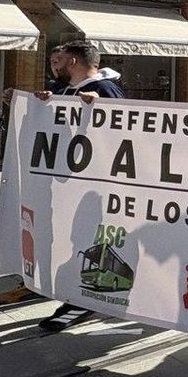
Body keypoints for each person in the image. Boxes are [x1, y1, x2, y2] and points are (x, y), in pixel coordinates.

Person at [32, 41, 124, 330]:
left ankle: (86, 298)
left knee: (90, 240)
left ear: (73, 62)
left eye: (61, 61)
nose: (55, 67)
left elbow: (125, 126)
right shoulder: (63, 90)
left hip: (95, 185)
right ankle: (76, 293)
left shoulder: (105, 89)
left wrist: (100, 108)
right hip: (69, 182)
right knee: (73, 238)